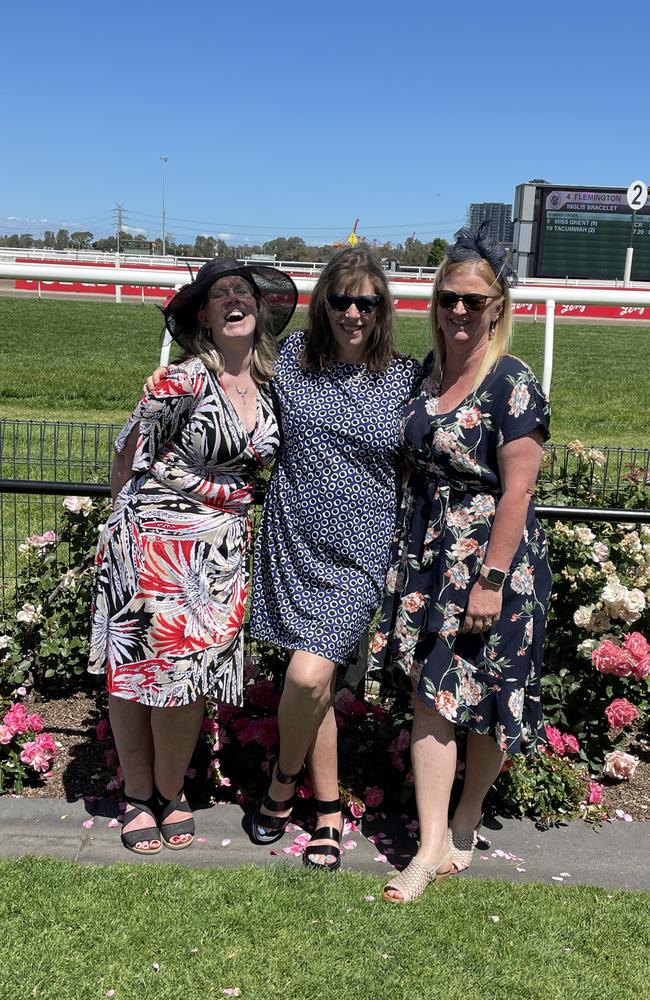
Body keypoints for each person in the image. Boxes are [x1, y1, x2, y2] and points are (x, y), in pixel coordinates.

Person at [88, 258, 297, 855]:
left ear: (259, 312)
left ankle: (171, 789)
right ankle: (137, 796)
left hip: (221, 555)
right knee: (135, 674)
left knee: (190, 680)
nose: (235, 301)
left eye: (245, 293)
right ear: (203, 315)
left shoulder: (273, 386)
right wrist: (122, 531)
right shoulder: (178, 380)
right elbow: (130, 451)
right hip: (153, 542)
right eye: (221, 294)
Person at [371, 223, 552, 902]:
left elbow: (519, 490)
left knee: (489, 695)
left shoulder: (512, 382)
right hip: (428, 561)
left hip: (493, 564)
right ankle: (430, 842)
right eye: (449, 296)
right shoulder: (427, 373)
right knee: (432, 696)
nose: (458, 311)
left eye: (473, 302)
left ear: (497, 307)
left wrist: (492, 580)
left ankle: (466, 816)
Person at [249, 248, 421, 869]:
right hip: (292, 543)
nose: (353, 313)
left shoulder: (405, 378)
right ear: (324, 303)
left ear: (382, 310)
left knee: (305, 677)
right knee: (311, 682)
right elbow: (229, 372)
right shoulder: (292, 360)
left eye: (366, 302)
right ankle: (326, 809)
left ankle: (279, 781)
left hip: (360, 552)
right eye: (341, 300)